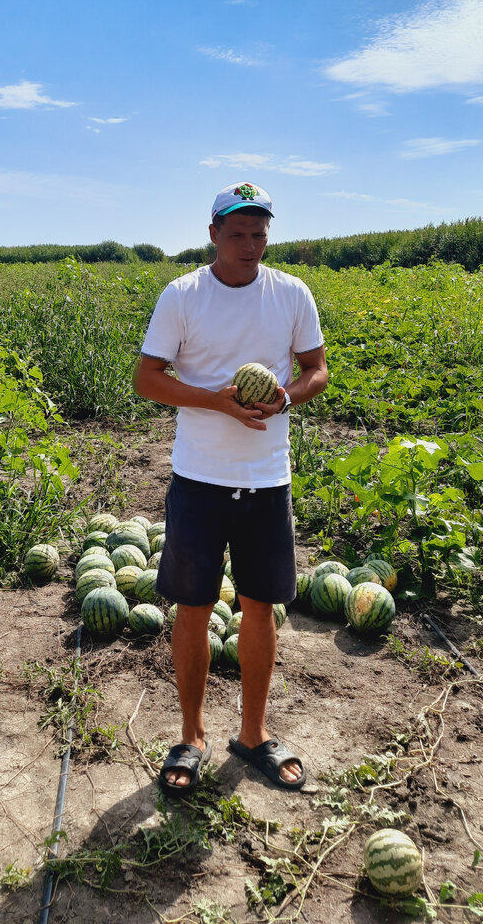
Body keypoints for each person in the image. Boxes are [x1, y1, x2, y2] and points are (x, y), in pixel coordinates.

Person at [133, 182, 327, 797]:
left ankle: (252, 734)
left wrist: (286, 398)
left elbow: (316, 369)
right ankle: (191, 735)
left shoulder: (291, 293)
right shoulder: (183, 295)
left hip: (267, 478)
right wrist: (213, 400)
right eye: (238, 233)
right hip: (199, 477)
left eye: (260, 233)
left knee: (260, 607)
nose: (250, 244)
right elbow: (147, 378)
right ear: (213, 234)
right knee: (192, 608)